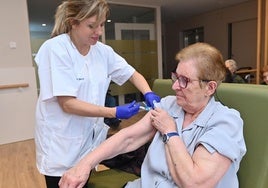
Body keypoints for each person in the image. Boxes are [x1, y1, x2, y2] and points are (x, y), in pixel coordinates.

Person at [59, 42, 247, 188]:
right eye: (176, 77)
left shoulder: (226, 122)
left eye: (185, 81)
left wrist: (170, 132)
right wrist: (85, 164)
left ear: (210, 87)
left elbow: (195, 183)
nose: (174, 86)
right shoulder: (169, 105)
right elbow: (128, 138)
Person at [34, 0, 160, 187]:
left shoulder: (103, 52)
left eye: (101, 24)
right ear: (73, 23)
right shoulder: (56, 49)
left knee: (84, 177)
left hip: (88, 140)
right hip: (61, 144)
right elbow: (67, 104)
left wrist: (148, 92)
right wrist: (114, 112)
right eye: (91, 26)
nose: (99, 32)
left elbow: (132, 74)